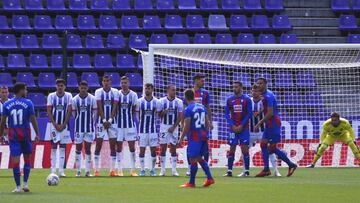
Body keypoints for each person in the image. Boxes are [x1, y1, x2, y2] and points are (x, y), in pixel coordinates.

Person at [0, 82, 40, 193]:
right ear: (21, 90)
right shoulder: (28, 103)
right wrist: (37, 133)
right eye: (25, 89)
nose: (26, 91)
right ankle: (25, 184)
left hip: (13, 137)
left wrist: (0, 134)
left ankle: (18, 187)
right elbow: (33, 119)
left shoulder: (7, 104)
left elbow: (3, 122)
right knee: (27, 160)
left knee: (16, 162)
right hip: (26, 136)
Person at [255, 77, 297, 177]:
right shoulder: (265, 94)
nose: (258, 85)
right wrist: (260, 112)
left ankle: (290, 164)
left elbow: (270, 113)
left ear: (265, 84)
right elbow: (268, 108)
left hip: (273, 123)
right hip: (270, 123)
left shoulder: (268, 96)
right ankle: (267, 169)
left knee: (271, 148)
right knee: (264, 145)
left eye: (261, 83)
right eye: (257, 83)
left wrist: (259, 123)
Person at [178, 89, 214, 188]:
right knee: (199, 158)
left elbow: (187, 125)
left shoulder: (188, 109)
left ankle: (191, 182)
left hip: (194, 137)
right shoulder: (202, 107)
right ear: (193, 96)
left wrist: (181, 138)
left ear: (185, 98)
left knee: (193, 159)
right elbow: (207, 123)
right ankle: (210, 178)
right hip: (203, 136)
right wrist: (206, 134)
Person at [248, 84, 280, 176]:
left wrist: (260, 112)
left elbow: (267, 110)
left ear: (259, 92)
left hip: (263, 130)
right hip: (251, 130)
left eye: (256, 91)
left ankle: (276, 171)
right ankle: (245, 171)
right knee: (245, 150)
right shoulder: (249, 101)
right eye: (252, 91)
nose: (254, 93)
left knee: (269, 149)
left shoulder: (264, 100)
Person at [223, 81, 252, 177]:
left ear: (241, 88)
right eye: (233, 87)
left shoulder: (247, 99)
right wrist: (233, 125)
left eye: (236, 87)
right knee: (232, 149)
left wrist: (241, 125)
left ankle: (246, 171)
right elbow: (226, 114)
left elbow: (249, 114)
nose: (234, 88)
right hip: (233, 128)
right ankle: (229, 171)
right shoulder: (229, 100)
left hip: (244, 128)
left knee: (245, 149)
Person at [93, 75, 119, 177]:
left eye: (107, 81)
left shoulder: (115, 92)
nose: (106, 82)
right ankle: (96, 170)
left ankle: (112, 170)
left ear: (110, 82)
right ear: (102, 82)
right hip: (101, 122)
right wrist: (104, 120)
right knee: (98, 145)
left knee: (113, 146)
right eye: (104, 81)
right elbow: (99, 107)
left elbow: (115, 107)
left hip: (113, 122)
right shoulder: (98, 92)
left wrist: (110, 120)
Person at [47, 79, 73, 177]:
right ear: (56, 86)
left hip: (65, 126)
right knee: (53, 146)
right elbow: (49, 111)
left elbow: (69, 111)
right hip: (54, 126)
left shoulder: (68, 96)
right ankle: (53, 169)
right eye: (58, 85)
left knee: (63, 147)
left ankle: (61, 170)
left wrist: (63, 124)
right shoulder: (51, 96)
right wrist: (55, 124)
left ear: (64, 86)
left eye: (61, 85)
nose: (60, 87)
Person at [71, 81, 97, 177]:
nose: (83, 89)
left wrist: (91, 122)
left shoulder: (92, 98)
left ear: (87, 88)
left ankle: (87, 171)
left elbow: (95, 113)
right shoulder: (74, 99)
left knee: (88, 149)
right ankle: (78, 171)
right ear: (79, 88)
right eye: (81, 88)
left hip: (89, 128)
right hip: (78, 128)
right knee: (78, 149)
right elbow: (74, 114)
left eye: (84, 88)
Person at [114, 76, 139, 176]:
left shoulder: (133, 95)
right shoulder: (117, 94)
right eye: (122, 83)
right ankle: (119, 169)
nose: (124, 84)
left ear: (128, 83)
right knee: (119, 147)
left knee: (132, 147)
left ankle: (133, 170)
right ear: (120, 84)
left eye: (125, 82)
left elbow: (134, 109)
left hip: (130, 125)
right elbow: (115, 109)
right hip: (119, 125)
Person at [158, 85, 183, 176]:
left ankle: (174, 170)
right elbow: (159, 115)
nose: (174, 92)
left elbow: (180, 116)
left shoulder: (179, 102)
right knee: (163, 148)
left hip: (175, 127)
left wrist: (173, 127)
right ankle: (163, 170)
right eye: (172, 90)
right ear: (168, 90)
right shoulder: (161, 101)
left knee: (173, 148)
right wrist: (163, 112)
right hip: (164, 127)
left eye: (175, 90)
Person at [136, 83, 160, 177]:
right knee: (142, 150)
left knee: (153, 151)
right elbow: (136, 115)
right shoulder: (139, 101)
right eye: (146, 88)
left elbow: (158, 114)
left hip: (153, 130)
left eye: (149, 88)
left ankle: (152, 170)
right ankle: (142, 170)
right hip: (142, 130)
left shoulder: (157, 102)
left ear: (152, 89)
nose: (147, 90)